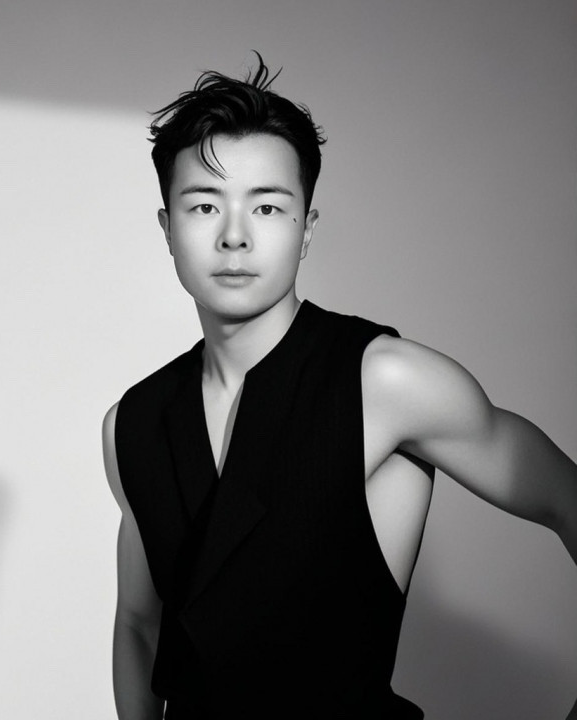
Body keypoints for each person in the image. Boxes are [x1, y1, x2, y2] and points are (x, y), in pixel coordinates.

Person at [102, 53, 577, 719]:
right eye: (204, 205)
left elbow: (566, 500)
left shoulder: (385, 379)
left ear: (306, 229)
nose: (235, 236)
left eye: (268, 207)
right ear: (168, 230)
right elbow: (138, 624)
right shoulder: (133, 420)